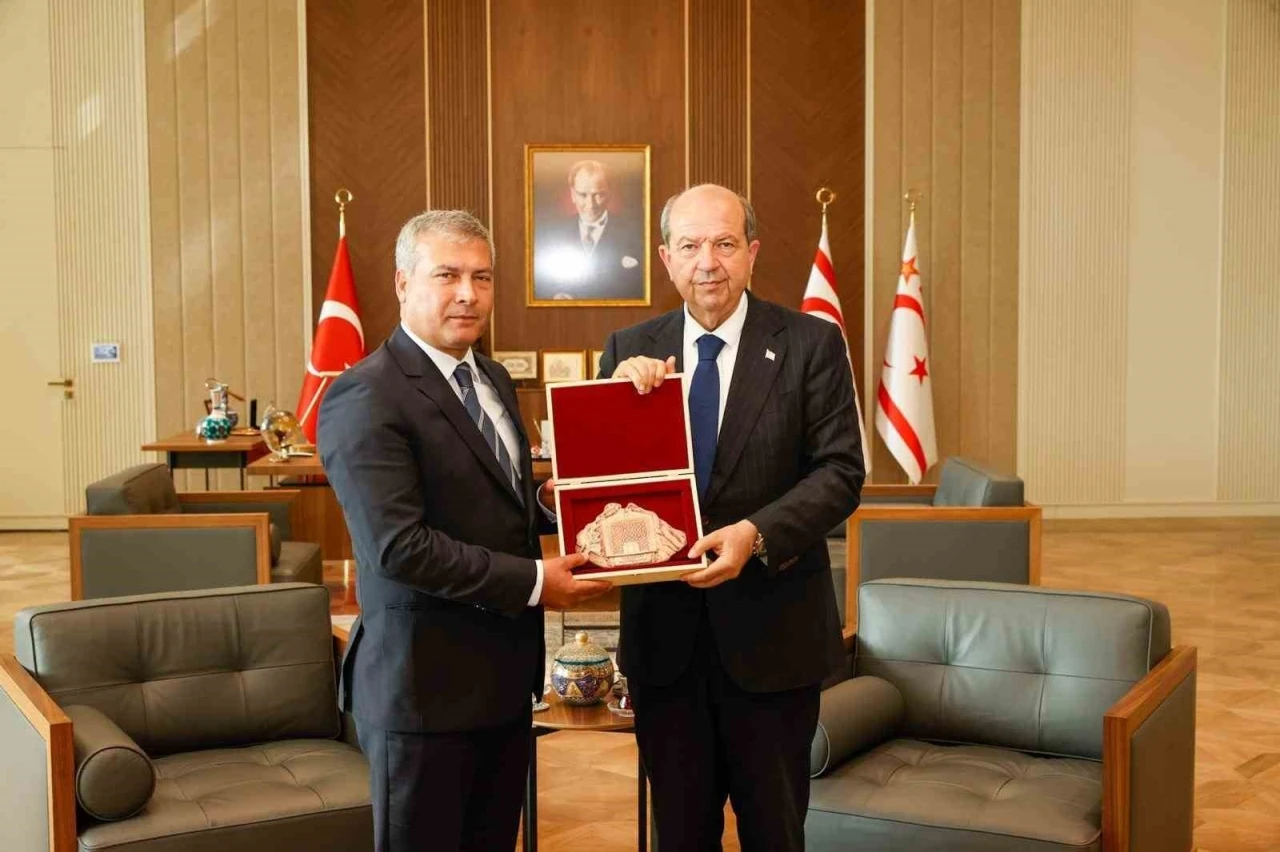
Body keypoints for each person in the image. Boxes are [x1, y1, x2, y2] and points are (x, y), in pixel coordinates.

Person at [319, 210, 611, 852]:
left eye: (482, 277)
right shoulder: (366, 394)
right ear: (403, 283)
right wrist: (537, 581)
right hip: (422, 692)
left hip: (503, 683)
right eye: (447, 275)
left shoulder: (492, 377)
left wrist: (552, 504)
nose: (468, 294)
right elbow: (399, 547)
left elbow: (490, 501)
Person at [597, 184, 865, 851]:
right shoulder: (629, 348)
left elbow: (840, 473)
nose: (707, 262)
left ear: (752, 251)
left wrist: (757, 534)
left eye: (723, 243)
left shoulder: (811, 342)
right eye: (689, 246)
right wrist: (618, 407)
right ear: (666, 258)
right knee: (681, 834)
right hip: (665, 645)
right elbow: (605, 488)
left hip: (774, 639)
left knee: (775, 831)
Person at [534, 159, 645, 301]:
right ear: (572, 195)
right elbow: (541, 284)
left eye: (598, 194)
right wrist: (556, 296)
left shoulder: (634, 234)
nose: (590, 204)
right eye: (583, 195)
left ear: (609, 193)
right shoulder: (554, 234)